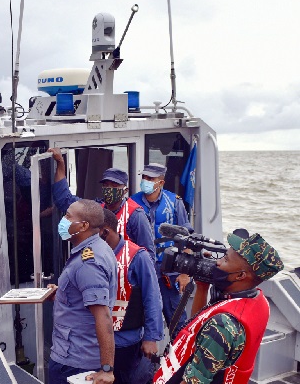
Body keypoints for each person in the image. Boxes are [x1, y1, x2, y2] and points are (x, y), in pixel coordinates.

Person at [152, 230, 283, 383]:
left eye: (225, 260)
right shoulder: (257, 301)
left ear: (240, 276)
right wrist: (202, 287)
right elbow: (197, 327)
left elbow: (194, 381)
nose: (218, 262)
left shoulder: (223, 325)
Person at [46, 199, 116, 384]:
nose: (63, 220)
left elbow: (103, 316)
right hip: (72, 355)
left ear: (84, 225)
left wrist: (107, 369)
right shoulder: (93, 249)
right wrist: (62, 292)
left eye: (68, 216)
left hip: (75, 362)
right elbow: (82, 294)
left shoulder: (89, 262)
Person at [48, 147, 155, 257]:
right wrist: (60, 163)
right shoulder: (96, 208)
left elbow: (148, 254)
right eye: (106, 185)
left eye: (114, 186)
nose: (109, 189)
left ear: (125, 191)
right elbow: (64, 200)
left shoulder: (135, 215)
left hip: (123, 271)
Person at [99, 209, 163, 383]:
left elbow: (152, 298)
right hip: (96, 341)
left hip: (125, 342)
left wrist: (151, 338)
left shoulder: (137, 257)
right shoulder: (92, 254)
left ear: (104, 232)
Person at [132, 162, 194, 330]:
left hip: (170, 273)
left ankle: (178, 354)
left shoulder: (175, 202)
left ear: (161, 182)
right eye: (144, 177)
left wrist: (185, 274)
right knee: (139, 319)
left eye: (150, 178)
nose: (146, 181)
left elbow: (187, 240)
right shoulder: (132, 203)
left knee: (177, 323)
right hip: (141, 271)